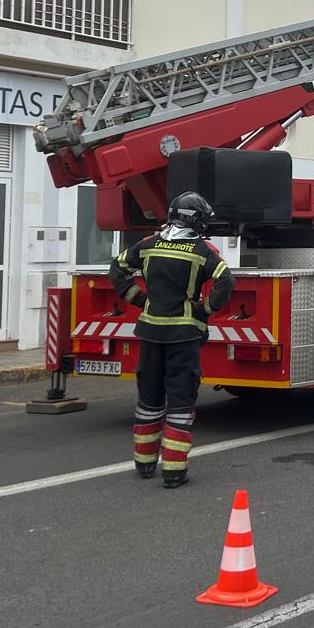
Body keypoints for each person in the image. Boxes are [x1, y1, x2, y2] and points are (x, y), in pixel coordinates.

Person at [109, 192, 233, 489]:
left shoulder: (148, 245)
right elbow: (225, 280)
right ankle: (174, 472)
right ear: (196, 220)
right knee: (179, 402)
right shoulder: (202, 251)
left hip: (150, 332)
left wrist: (139, 299)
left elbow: (118, 269)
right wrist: (205, 311)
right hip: (183, 335)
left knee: (149, 400)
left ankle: (144, 464)